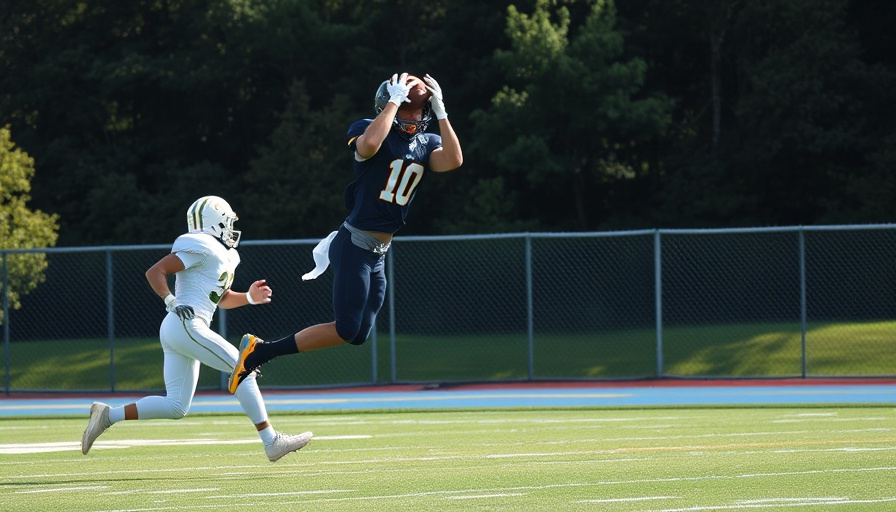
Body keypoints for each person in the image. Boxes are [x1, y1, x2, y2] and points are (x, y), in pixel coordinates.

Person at [227, 72, 463, 393]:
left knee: (358, 334)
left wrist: (441, 112)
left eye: (417, 111)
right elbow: (369, 145)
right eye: (406, 111)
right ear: (388, 105)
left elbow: (453, 160)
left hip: (378, 253)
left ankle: (260, 350)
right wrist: (394, 103)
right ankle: (260, 352)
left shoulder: (427, 142)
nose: (412, 118)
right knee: (346, 328)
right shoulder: (367, 128)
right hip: (355, 244)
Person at [81, 196, 312, 462]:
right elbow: (155, 271)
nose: (231, 227)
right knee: (244, 366)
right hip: (186, 322)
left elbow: (221, 299)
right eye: (227, 221)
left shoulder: (223, 254)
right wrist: (170, 300)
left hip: (182, 328)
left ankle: (107, 415)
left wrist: (249, 297)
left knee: (176, 406)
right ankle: (271, 441)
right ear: (216, 222)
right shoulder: (201, 245)